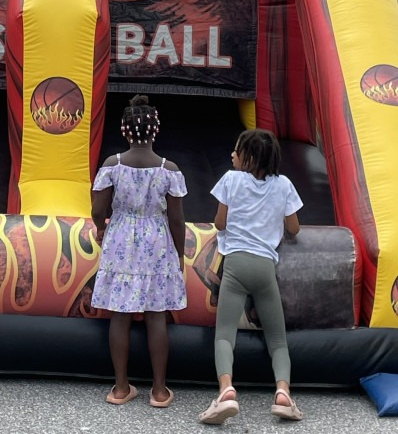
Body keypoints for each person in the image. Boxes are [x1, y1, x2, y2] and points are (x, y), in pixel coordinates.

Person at [199, 128, 304, 425]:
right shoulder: (283, 185)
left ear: (250, 158)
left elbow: (220, 223)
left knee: (224, 335)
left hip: (235, 265)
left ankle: (226, 392)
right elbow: (294, 228)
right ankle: (283, 394)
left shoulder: (231, 180)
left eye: (237, 150)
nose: (232, 154)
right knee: (278, 339)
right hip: (265, 267)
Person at [91, 95, 187, 408]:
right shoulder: (169, 170)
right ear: (155, 130)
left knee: (120, 315)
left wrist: (101, 227)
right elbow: (177, 220)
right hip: (157, 242)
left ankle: (121, 388)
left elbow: (98, 209)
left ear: (124, 130)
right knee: (156, 316)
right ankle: (159, 391)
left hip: (120, 238)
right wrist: (179, 255)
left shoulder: (112, 165)